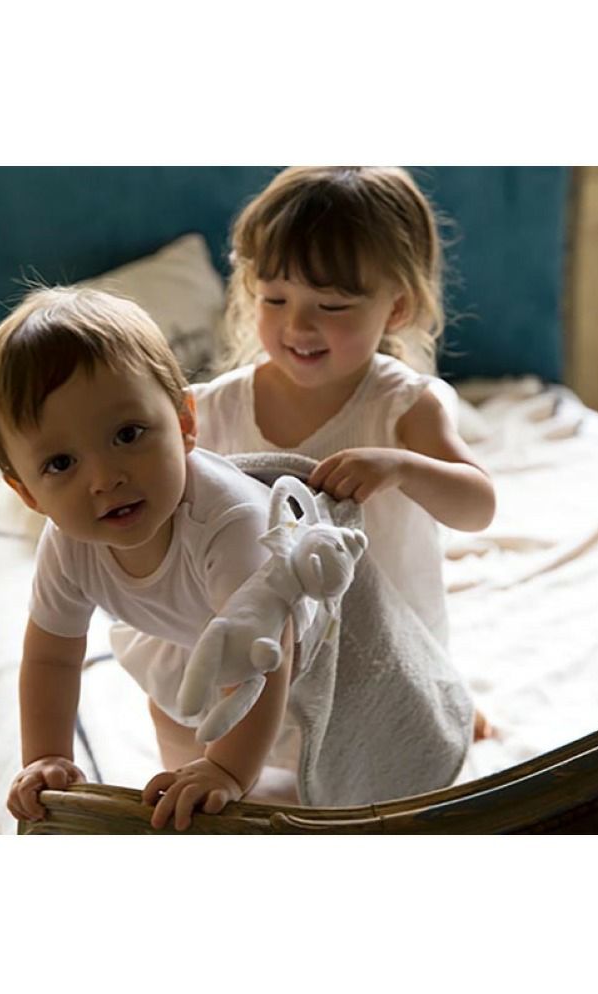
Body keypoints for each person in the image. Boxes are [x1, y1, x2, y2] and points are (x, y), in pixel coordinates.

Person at [0, 286, 294, 831]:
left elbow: (267, 657)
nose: (105, 479)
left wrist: (226, 770)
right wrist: (46, 756)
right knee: (174, 719)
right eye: (60, 463)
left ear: (185, 423)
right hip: (189, 636)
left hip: (297, 645)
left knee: (312, 773)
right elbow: (51, 657)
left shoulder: (232, 524)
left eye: (127, 434)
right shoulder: (68, 543)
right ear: (27, 493)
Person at [194, 166, 496, 737]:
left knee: (410, 730)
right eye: (274, 298)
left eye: (331, 306)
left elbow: (479, 506)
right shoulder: (219, 408)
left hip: (390, 639)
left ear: (397, 308)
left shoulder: (402, 405)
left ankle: (447, 698)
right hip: (270, 642)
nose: (297, 325)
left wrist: (402, 467)